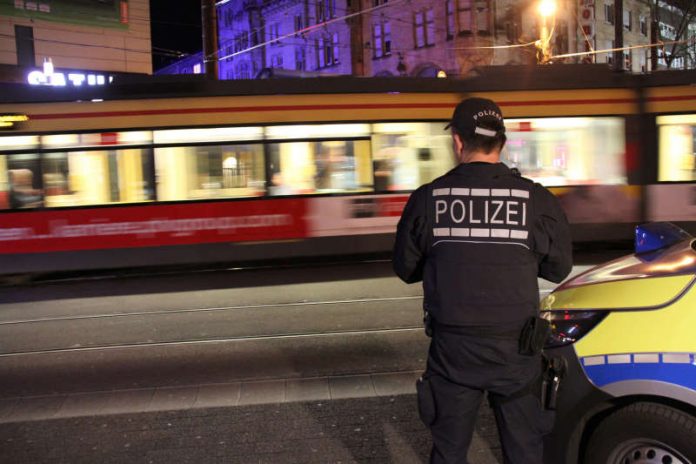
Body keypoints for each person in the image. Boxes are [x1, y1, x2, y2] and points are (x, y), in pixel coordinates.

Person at [393, 97, 572, 464]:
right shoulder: (535, 199)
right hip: (518, 354)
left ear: (457, 141)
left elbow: (406, 268)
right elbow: (558, 269)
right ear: (502, 143)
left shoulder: (429, 199)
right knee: (524, 452)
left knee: (449, 452)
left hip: (453, 354)